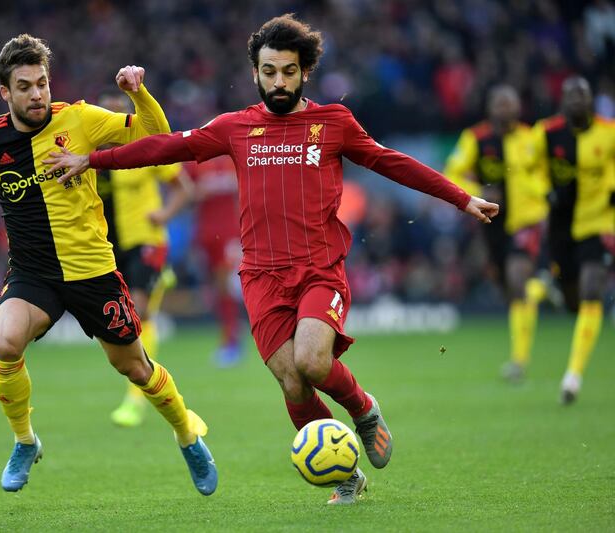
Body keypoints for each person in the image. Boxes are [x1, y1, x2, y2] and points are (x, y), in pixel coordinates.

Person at [43, 15, 498, 505]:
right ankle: (347, 477)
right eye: (268, 71)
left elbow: (392, 161)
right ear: (255, 73)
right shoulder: (236, 127)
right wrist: (94, 159)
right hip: (261, 277)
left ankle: (364, 410)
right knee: (292, 381)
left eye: (288, 71)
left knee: (312, 360)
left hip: (320, 269)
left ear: (305, 73)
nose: (278, 81)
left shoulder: (333, 124)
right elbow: (169, 147)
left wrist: (459, 197)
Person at [0, 34, 217, 496]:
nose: (37, 93)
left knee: (136, 368)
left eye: (42, 83)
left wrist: (138, 92)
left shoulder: (78, 119)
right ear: (5, 92)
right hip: (33, 274)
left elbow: (156, 137)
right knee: (5, 344)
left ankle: (186, 433)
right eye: (25, 86)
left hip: (93, 270)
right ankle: (25, 440)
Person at [95, 92, 194, 428]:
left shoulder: (146, 147)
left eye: (121, 112)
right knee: (121, 320)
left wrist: (164, 214)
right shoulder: (89, 156)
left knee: (138, 313)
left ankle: (135, 399)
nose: (115, 120)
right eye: (108, 114)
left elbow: (184, 187)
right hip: (109, 246)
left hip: (146, 241)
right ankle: (158, 278)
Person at [444, 85, 551, 383]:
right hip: (491, 225)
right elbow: (452, 172)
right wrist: (479, 193)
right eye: (500, 104)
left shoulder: (532, 138)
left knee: (517, 280)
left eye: (510, 103)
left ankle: (519, 361)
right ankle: (542, 287)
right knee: (508, 287)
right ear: (490, 108)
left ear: (518, 108)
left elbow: (546, 174)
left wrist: (541, 200)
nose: (505, 109)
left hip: (526, 221)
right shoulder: (475, 139)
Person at [532, 76, 615, 405]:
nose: (578, 100)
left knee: (592, 289)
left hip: (598, 222)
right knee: (573, 301)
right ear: (563, 101)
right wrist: (543, 190)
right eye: (572, 95)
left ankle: (573, 376)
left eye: (583, 94)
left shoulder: (608, 133)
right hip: (560, 228)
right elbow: (531, 167)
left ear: (592, 99)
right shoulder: (546, 133)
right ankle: (558, 291)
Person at [185, 156, 246, 367]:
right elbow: (186, 191)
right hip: (206, 233)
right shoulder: (195, 162)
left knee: (227, 285)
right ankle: (231, 338)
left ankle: (232, 341)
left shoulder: (235, 157)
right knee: (217, 289)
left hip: (229, 232)